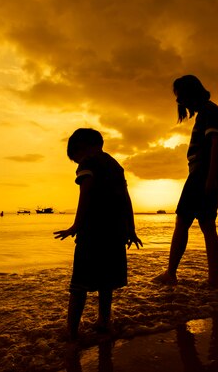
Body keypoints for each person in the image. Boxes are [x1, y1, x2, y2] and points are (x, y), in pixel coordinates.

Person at [54, 128, 142, 340]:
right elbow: (126, 198)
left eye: (75, 159)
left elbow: (86, 191)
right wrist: (131, 228)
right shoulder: (115, 165)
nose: (77, 163)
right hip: (116, 233)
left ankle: (72, 331)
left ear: (81, 148)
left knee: (79, 285)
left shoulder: (88, 163)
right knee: (106, 283)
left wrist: (76, 225)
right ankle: (104, 321)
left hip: (93, 232)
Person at [154, 75, 218, 287]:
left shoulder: (210, 111)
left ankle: (171, 274)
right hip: (203, 173)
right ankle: (213, 279)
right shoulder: (205, 113)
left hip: (202, 174)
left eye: (180, 96)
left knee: (183, 221)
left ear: (190, 93)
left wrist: (210, 177)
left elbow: (217, 144)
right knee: (206, 224)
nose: (178, 101)